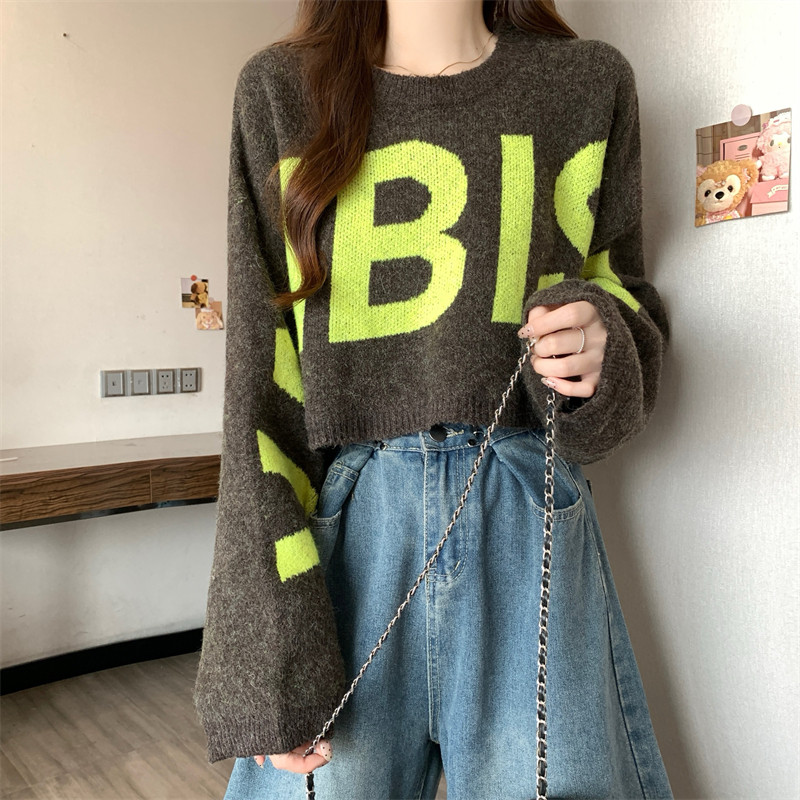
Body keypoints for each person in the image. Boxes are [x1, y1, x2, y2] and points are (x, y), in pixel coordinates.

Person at [192, 0, 675, 798]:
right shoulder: (282, 92)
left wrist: (600, 343)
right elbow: (260, 386)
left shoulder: (585, 85)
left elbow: (625, 294)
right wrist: (263, 650)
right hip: (348, 536)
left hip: (526, 512)